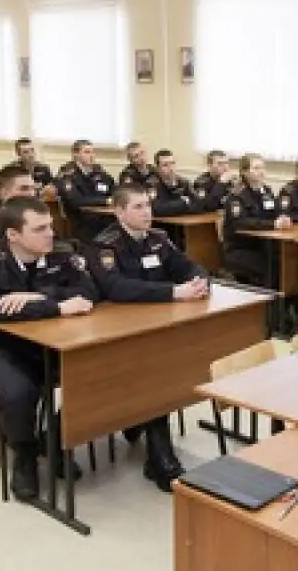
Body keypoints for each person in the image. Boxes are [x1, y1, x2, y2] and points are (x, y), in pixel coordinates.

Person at [0, 197, 97, 501]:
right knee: (18, 393)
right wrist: (58, 306)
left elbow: (90, 292)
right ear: (13, 234)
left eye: (50, 225)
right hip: (3, 348)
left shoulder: (62, 254)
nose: (50, 233)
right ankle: (24, 454)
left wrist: (37, 297)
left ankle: (55, 438)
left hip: (56, 344)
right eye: (40, 229)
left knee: (96, 372)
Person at [84, 184, 208, 491]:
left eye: (148, 205)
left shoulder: (158, 238)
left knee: (164, 365)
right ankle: (159, 454)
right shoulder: (104, 246)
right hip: (115, 333)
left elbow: (186, 265)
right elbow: (116, 288)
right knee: (155, 371)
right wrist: (173, 292)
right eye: (138, 207)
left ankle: (144, 428)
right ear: (119, 211)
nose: (147, 213)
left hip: (155, 328)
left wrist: (199, 280)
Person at [222, 153, 290, 287]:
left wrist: (282, 217)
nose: (261, 171)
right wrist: (273, 224)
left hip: (264, 245)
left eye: (263, 168)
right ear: (245, 172)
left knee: (288, 261)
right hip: (241, 248)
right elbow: (241, 223)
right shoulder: (237, 195)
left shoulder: (267, 191)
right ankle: (269, 299)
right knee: (272, 266)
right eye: (256, 168)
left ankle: (287, 298)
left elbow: (276, 211)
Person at [56, 140, 117, 244]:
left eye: (93, 152)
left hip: (105, 218)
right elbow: (76, 201)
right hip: (82, 221)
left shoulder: (99, 171)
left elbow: (115, 190)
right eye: (87, 152)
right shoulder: (67, 173)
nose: (92, 155)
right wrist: (106, 201)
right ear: (75, 155)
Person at [149, 149, 198, 217]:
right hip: (162, 222)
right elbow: (156, 209)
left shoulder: (183, 182)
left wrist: (172, 206)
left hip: (183, 220)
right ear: (157, 168)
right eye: (165, 165)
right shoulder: (152, 184)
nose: (171, 168)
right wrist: (184, 202)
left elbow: (198, 204)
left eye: (173, 163)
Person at [192, 149, 233, 213]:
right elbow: (209, 206)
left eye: (226, 163)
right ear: (209, 166)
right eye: (220, 164)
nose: (225, 167)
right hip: (208, 217)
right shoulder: (201, 183)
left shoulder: (231, 181)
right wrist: (221, 183)